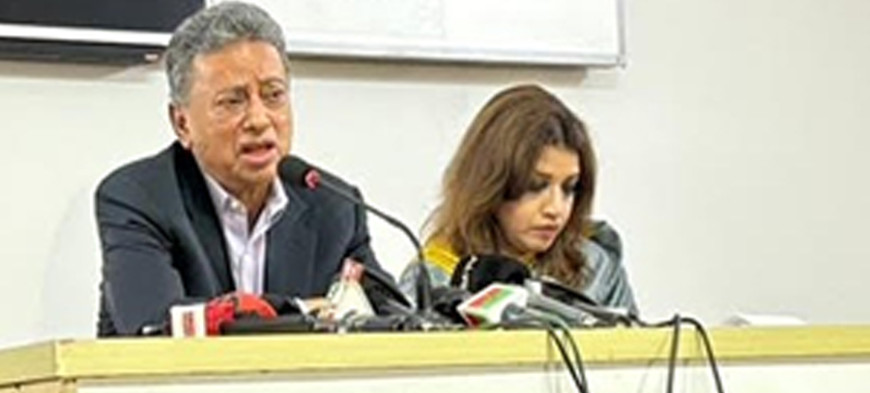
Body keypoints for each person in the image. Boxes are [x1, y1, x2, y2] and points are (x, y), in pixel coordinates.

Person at [95, 2, 388, 336]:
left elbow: (389, 317)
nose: (259, 120)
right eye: (233, 102)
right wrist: (301, 310)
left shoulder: (333, 205)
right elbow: (155, 326)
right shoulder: (139, 198)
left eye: (273, 95)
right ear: (182, 124)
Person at [401, 84, 637, 313]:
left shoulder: (596, 267)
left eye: (569, 188)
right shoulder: (431, 280)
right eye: (535, 186)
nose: (555, 209)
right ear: (491, 184)